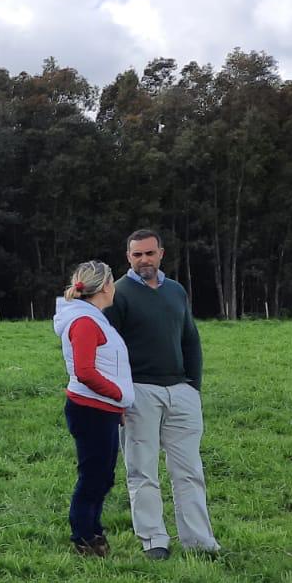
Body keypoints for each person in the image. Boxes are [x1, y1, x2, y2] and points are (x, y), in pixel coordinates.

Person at [102, 229, 218, 560]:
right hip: (140, 391)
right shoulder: (118, 294)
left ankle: (199, 540)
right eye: (137, 255)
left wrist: (192, 387)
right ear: (128, 258)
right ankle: (154, 541)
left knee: (190, 470)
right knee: (142, 471)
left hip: (180, 392)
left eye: (149, 253)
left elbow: (190, 340)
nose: (144, 260)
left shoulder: (176, 292)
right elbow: (109, 349)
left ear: (161, 254)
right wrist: (119, 397)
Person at [53, 261, 134, 556]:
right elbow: (85, 371)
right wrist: (119, 396)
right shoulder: (85, 322)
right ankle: (84, 537)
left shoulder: (92, 317)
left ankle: (93, 531)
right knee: (94, 475)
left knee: (102, 475)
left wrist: (116, 404)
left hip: (101, 409)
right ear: (105, 286)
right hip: (91, 409)